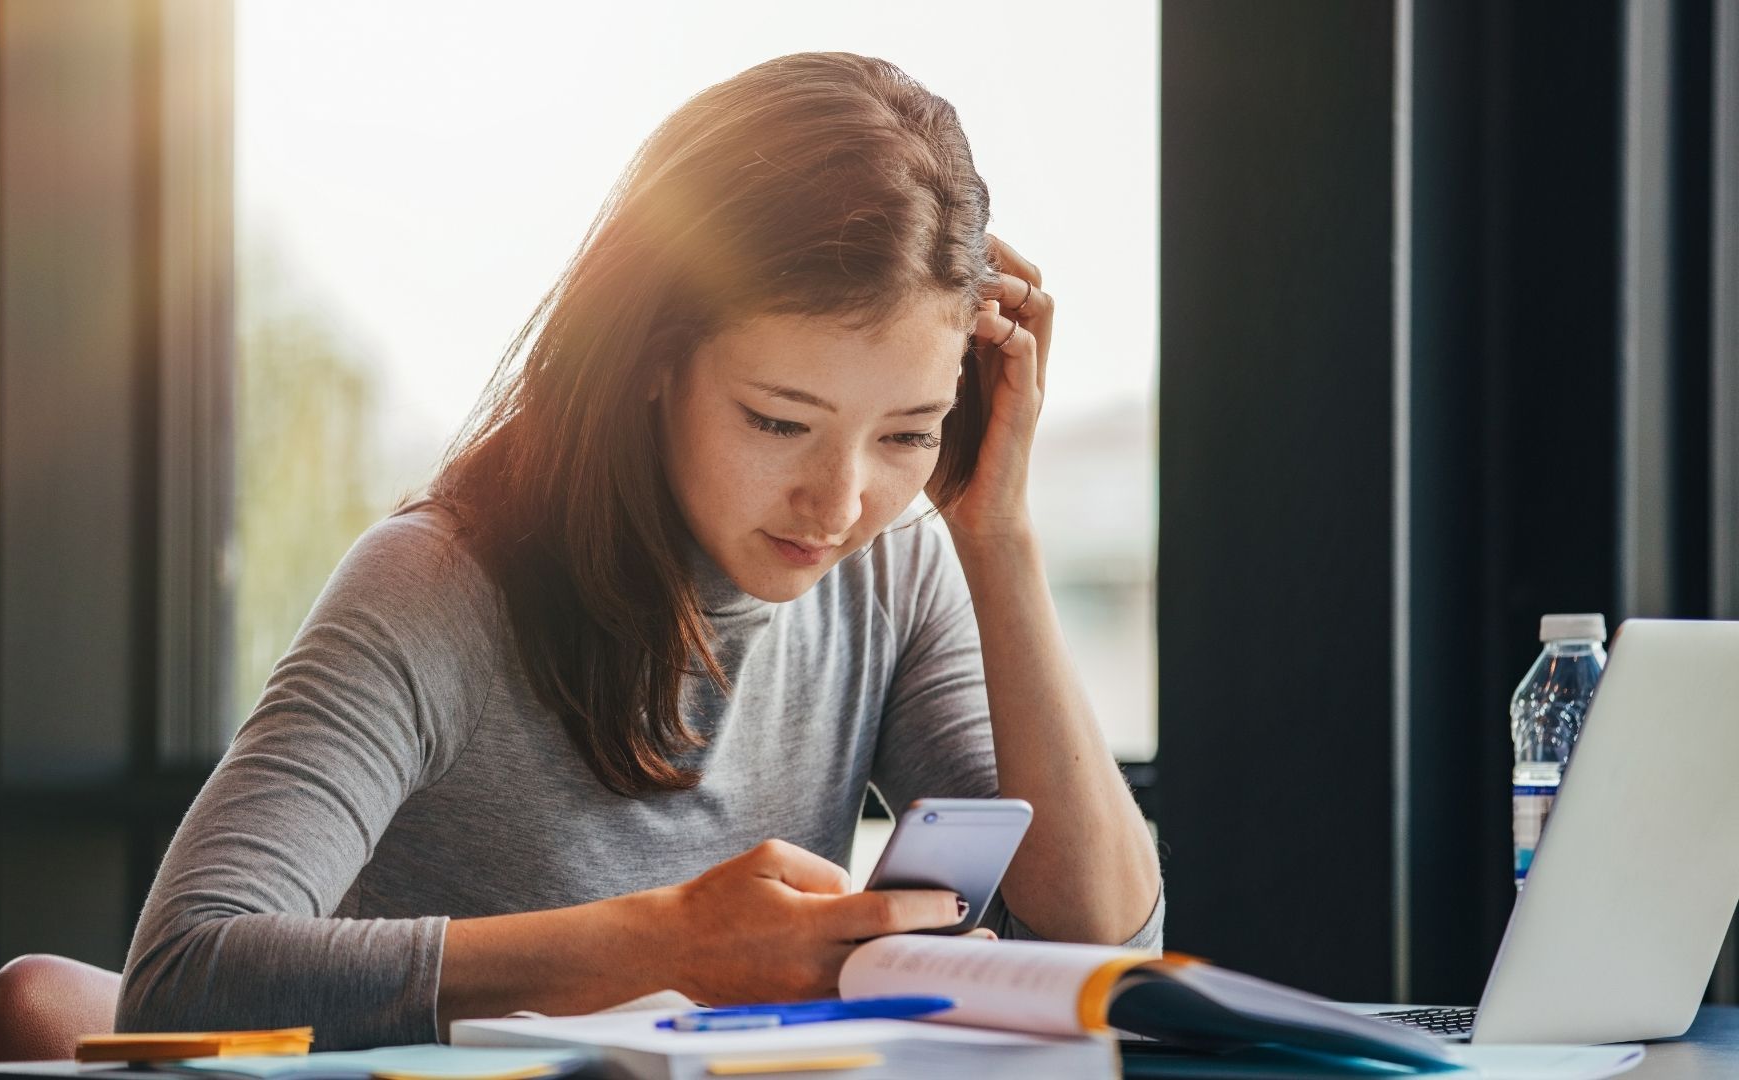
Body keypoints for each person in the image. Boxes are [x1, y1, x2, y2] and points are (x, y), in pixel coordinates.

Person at [117, 50, 1163, 1050]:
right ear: (654, 359)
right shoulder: (435, 587)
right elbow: (180, 979)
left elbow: (1109, 944)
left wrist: (1000, 536)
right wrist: (665, 948)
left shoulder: (895, 571)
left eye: (906, 434)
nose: (841, 503)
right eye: (777, 421)